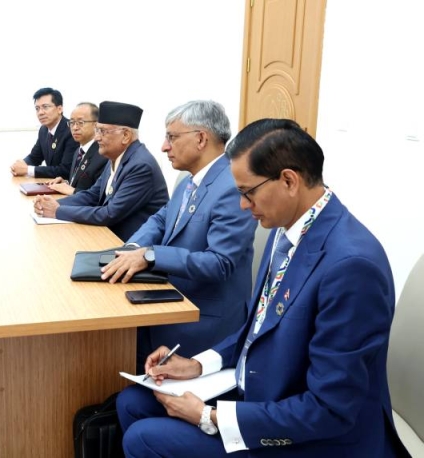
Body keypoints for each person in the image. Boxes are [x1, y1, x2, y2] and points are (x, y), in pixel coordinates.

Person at [116, 119, 410, 457]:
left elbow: (330, 409)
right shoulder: (286, 227)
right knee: (133, 402)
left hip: (317, 436)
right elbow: (259, 328)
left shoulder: (352, 267)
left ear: (288, 181)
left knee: (144, 438)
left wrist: (209, 417)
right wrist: (198, 364)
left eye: (247, 192)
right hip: (266, 389)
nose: (243, 205)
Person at [100, 100, 256, 363]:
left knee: (113, 344)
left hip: (201, 319)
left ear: (201, 139)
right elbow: (161, 219)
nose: (164, 146)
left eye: (172, 137)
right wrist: (131, 249)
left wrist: (150, 256)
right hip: (170, 299)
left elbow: (219, 263)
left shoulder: (232, 186)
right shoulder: (189, 180)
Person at [34, 101, 168, 241]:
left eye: (103, 131)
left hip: (130, 243)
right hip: (109, 234)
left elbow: (110, 213)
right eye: (97, 130)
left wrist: (58, 211)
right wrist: (52, 203)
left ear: (126, 135)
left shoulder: (141, 166)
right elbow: (92, 195)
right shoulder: (115, 157)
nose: (97, 137)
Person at [10, 87, 79, 179]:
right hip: (52, 183)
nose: (40, 112)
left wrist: (28, 170)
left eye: (45, 107)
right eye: (37, 108)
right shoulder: (43, 130)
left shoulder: (71, 130)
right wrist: (21, 164)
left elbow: (65, 170)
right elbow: (34, 157)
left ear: (59, 109)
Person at [45, 102, 107, 195]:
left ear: (96, 125)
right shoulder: (78, 151)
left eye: (80, 123)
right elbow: (80, 184)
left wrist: (72, 191)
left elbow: (99, 195)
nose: (74, 128)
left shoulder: (102, 155)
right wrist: (66, 184)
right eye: (72, 123)